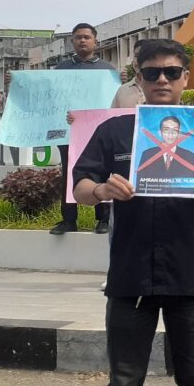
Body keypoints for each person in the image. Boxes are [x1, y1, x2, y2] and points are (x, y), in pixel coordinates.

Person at [72, 39, 194, 386]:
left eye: (171, 72)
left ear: (185, 78)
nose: (162, 80)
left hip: (191, 276)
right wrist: (102, 191)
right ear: (140, 78)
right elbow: (80, 187)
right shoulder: (115, 130)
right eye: (152, 73)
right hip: (130, 276)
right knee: (124, 383)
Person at [49, 23, 117, 235]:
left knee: (102, 172)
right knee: (68, 174)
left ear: (95, 41)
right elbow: (49, 98)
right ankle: (69, 220)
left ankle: (103, 219)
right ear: (72, 41)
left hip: (99, 132)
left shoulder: (108, 71)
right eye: (78, 37)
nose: (82, 41)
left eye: (87, 37)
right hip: (70, 132)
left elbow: (115, 102)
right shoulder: (61, 70)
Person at [135, 116, 194, 190]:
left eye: (174, 130)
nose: (170, 134)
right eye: (166, 130)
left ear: (179, 133)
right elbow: (140, 185)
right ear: (160, 132)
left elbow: (192, 186)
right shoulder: (147, 154)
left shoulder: (189, 156)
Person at [111, 39, 148, 108]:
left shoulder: (161, 90)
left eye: (144, 56)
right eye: (136, 56)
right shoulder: (122, 91)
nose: (139, 61)